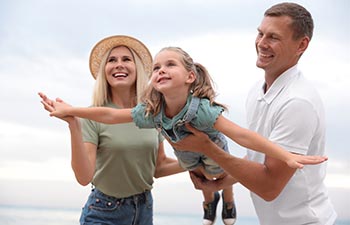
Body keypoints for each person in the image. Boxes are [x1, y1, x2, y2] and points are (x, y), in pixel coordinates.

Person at [42, 46, 327, 225]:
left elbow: (244, 136)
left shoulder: (201, 110)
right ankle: (209, 203)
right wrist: (73, 113)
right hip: (118, 201)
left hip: (202, 160)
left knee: (216, 172)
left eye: (169, 65)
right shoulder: (152, 112)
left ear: (190, 76)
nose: (161, 70)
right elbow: (110, 115)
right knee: (202, 177)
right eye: (156, 67)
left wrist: (285, 155)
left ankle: (226, 202)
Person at [167, 2, 337, 225]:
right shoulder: (257, 91)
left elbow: (269, 187)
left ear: (301, 45)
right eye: (260, 33)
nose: (261, 43)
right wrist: (220, 184)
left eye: (273, 37)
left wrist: (207, 148)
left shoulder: (298, 102)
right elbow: (257, 158)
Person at [39, 35, 184, 225]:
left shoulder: (152, 114)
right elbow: (84, 177)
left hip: (144, 210)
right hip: (104, 212)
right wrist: (74, 124)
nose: (119, 65)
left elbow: (159, 166)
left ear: (137, 68)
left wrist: (195, 162)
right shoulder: (92, 116)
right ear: (104, 71)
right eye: (112, 60)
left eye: (126, 59)